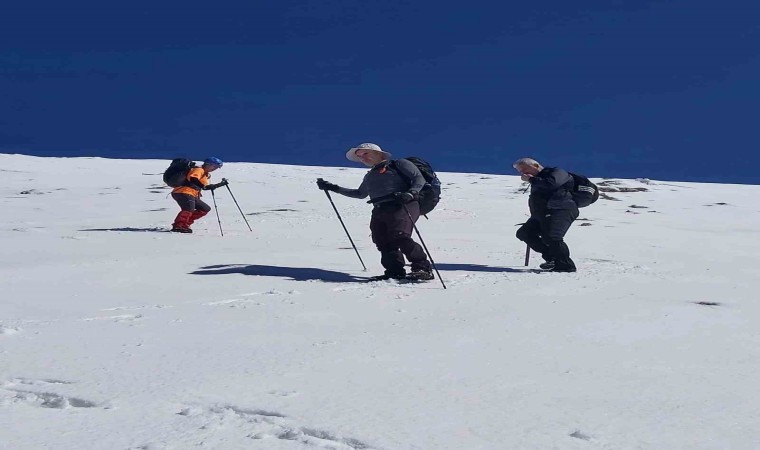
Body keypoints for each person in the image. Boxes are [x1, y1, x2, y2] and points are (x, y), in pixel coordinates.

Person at [316, 143, 434, 280]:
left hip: (403, 204)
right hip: (379, 208)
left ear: (379, 153)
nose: (362, 158)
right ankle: (394, 271)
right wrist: (333, 188)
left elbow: (419, 178)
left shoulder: (399, 164)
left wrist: (411, 193)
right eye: (359, 156)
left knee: (400, 235)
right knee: (382, 240)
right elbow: (360, 194)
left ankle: (422, 268)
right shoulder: (370, 175)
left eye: (365, 153)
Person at [513, 157, 579, 272]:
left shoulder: (556, 172)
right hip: (542, 213)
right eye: (520, 171)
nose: (523, 172)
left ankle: (565, 266)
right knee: (524, 233)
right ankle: (552, 258)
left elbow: (552, 184)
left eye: (524, 168)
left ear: (535, 165)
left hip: (562, 209)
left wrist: (531, 180)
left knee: (553, 236)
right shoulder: (537, 180)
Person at [170, 157, 228, 233]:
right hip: (183, 192)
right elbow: (193, 178)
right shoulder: (199, 169)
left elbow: (204, 187)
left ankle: (185, 224)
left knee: (204, 209)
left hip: (191, 194)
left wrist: (220, 184)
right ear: (208, 164)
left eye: (217, 167)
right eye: (214, 166)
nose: (215, 168)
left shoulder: (205, 174)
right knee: (188, 209)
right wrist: (203, 186)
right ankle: (179, 226)